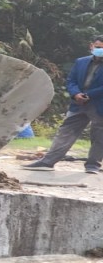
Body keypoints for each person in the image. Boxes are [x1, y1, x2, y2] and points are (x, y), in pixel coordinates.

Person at [23, 37, 103, 174]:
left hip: (98, 104)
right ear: (91, 46)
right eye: (98, 47)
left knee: (99, 135)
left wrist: (89, 95)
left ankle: (92, 165)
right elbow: (71, 80)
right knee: (65, 132)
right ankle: (48, 161)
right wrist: (76, 94)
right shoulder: (81, 62)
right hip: (78, 103)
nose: (100, 50)